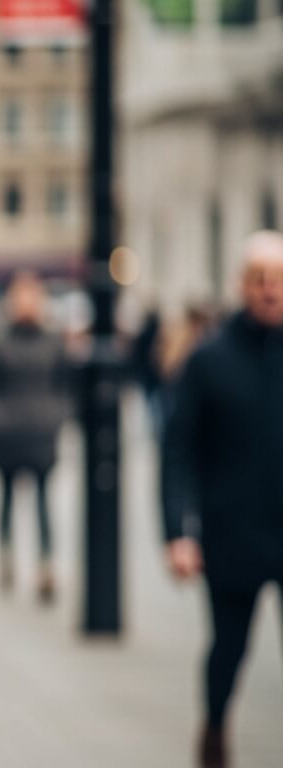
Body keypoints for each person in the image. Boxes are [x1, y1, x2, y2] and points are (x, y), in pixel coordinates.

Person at [162, 230, 283, 768]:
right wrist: (177, 534)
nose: (270, 291)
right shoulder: (209, 359)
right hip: (231, 534)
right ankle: (214, 733)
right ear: (242, 284)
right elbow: (176, 451)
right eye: (260, 279)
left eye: (279, 280)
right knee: (229, 650)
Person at [0, 270, 72, 603]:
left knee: (44, 501)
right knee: (6, 500)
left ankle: (45, 564)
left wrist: (56, 416)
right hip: (7, 434)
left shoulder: (53, 340)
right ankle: (6, 557)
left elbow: (68, 385)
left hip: (41, 432)